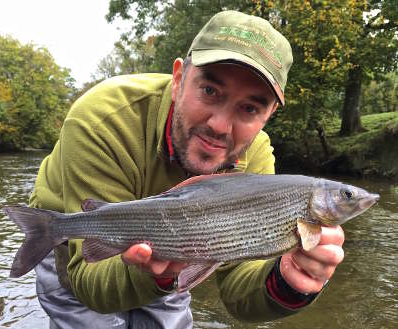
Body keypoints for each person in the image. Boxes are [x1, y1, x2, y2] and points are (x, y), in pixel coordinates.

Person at [30, 10, 345, 329]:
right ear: (178, 79)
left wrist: (287, 280)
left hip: (179, 244)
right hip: (72, 229)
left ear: (269, 115)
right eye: (210, 91)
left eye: (249, 108)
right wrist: (154, 274)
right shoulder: (101, 121)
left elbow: (237, 287)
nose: (220, 126)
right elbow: (89, 281)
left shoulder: (256, 154)